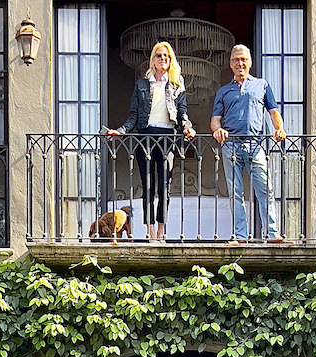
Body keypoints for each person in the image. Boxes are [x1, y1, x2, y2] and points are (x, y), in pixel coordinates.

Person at [107, 42, 196, 242]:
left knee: (164, 186)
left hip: (167, 137)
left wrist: (187, 127)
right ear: (153, 60)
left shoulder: (176, 84)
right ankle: (150, 231)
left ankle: (162, 231)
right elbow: (133, 115)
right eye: (159, 55)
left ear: (170, 60)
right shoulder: (141, 84)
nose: (163, 59)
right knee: (148, 185)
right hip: (145, 136)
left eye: (166, 56)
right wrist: (121, 131)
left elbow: (182, 113)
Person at [210, 44, 286, 243]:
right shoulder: (223, 91)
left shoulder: (262, 85)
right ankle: (240, 236)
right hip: (230, 147)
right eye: (236, 60)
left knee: (265, 190)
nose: (240, 63)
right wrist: (218, 129)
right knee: (235, 193)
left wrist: (279, 128)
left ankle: (273, 234)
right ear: (230, 64)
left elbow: (273, 111)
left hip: (256, 145)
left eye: (243, 59)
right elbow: (215, 119)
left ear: (250, 62)